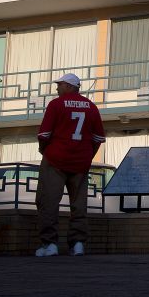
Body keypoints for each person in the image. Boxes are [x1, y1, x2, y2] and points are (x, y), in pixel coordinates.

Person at [35, 73, 105, 257]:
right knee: (78, 204)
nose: (57, 88)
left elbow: (43, 135)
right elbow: (98, 138)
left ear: (69, 86)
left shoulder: (56, 104)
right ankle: (78, 243)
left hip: (55, 159)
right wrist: (88, 155)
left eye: (60, 85)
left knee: (48, 201)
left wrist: (45, 151)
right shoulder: (91, 106)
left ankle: (49, 244)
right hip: (81, 162)